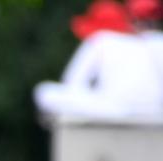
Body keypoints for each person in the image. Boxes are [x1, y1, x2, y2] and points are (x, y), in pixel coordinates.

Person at [33, 0, 163, 120]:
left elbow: (72, 83)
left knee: (43, 91)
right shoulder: (154, 42)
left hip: (114, 110)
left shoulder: (100, 40)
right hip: (156, 112)